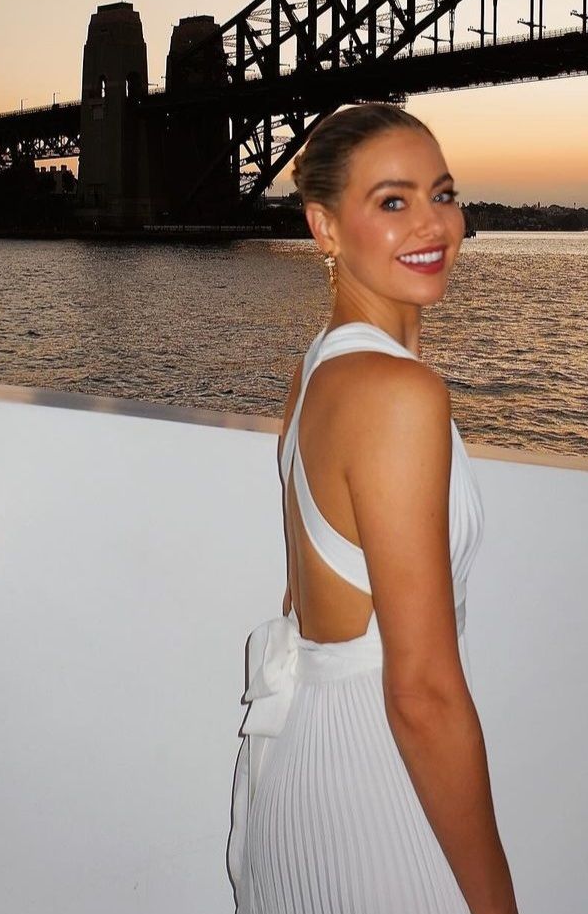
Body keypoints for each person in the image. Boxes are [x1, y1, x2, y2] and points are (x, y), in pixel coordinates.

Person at [227, 101, 518, 914]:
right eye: (393, 201)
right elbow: (421, 693)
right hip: (376, 785)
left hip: (305, 770)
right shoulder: (398, 393)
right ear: (324, 227)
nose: (434, 223)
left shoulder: (318, 369)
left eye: (442, 193)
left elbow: (308, 595)